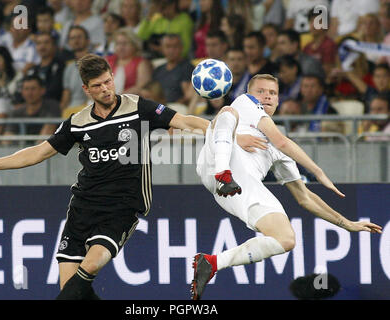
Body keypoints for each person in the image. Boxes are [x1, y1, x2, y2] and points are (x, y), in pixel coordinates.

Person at [0, 54, 210, 300]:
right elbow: (38, 152)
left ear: (113, 77)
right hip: (82, 207)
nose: (106, 89)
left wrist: (225, 134)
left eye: (108, 81)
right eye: (98, 86)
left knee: (90, 266)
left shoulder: (138, 107)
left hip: (122, 207)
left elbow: (185, 121)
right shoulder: (77, 122)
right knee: (72, 288)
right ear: (86, 89)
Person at [191, 74, 382, 300]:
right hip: (216, 163)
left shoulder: (279, 152)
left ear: (279, 99)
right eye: (261, 91)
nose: (267, 97)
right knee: (226, 113)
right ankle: (224, 171)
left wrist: (347, 224)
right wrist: (319, 172)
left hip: (235, 188)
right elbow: (281, 140)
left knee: (286, 239)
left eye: (273, 93)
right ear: (250, 94)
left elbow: (304, 198)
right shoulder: (244, 103)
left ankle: (212, 263)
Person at [105, 27, 152, 95]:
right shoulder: (107, 60)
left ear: (135, 45)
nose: (121, 47)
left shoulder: (141, 63)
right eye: (118, 43)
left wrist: (117, 98)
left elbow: (140, 88)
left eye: (125, 44)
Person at [152, 34, 194, 105]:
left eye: (175, 46)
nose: (171, 50)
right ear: (162, 48)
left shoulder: (188, 68)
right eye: (168, 46)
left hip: (177, 108)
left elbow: (188, 97)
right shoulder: (158, 69)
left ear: (181, 48)